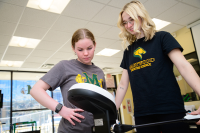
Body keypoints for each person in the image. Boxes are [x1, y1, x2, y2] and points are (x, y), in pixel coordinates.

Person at [115, 1, 200, 133]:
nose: (128, 25)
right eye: (125, 22)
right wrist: (112, 110)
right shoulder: (128, 52)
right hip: (143, 115)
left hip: (170, 110)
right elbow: (122, 84)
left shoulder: (162, 38)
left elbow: (184, 67)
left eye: (131, 19)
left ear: (141, 16)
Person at [30, 28, 107, 133]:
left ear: (95, 45)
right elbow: (35, 90)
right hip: (70, 130)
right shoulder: (65, 66)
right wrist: (61, 110)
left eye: (89, 48)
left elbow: (104, 103)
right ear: (73, 49)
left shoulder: (99, 72)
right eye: (80, 50)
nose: (85, 53)